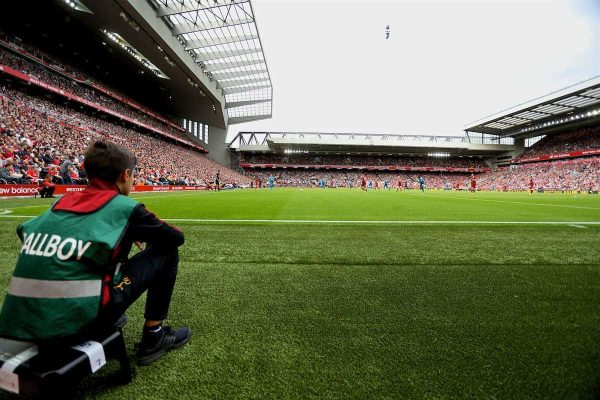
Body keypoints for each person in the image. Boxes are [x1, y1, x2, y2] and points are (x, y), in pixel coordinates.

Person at [0, 141, 191, 366]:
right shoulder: (125, 208)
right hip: (75, 322)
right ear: (125, 175)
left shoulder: (63, 200)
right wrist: (132, 231)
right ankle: (154, 335)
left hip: (20, 321)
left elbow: (24, 230)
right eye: (133, 175)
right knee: (167, 250)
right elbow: (176, 237)